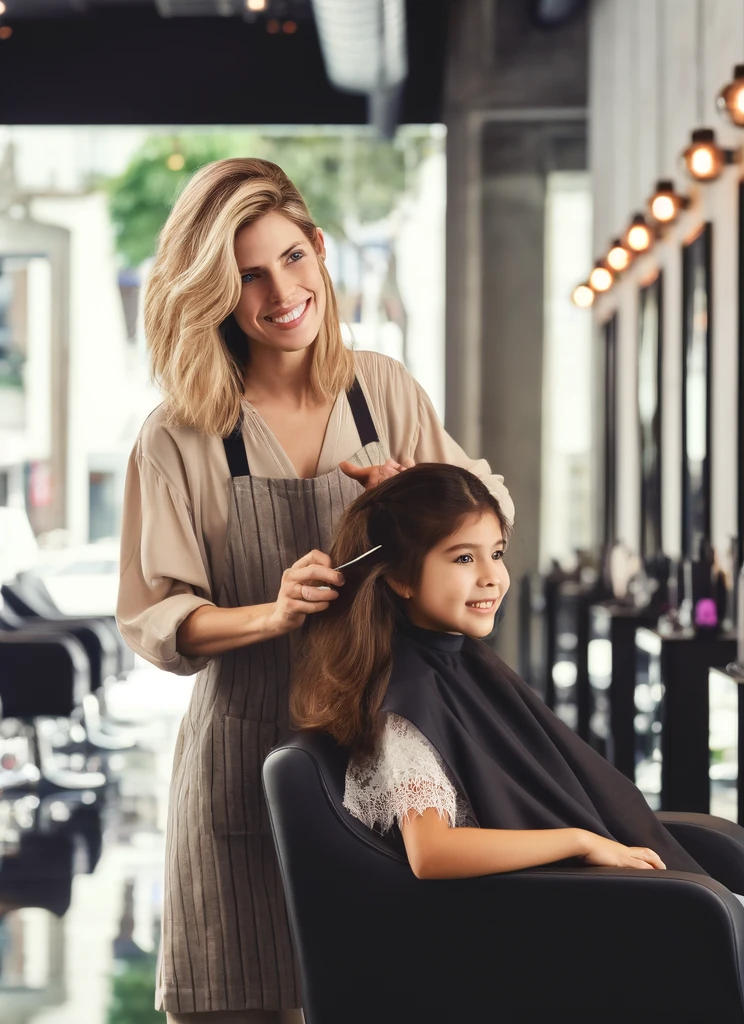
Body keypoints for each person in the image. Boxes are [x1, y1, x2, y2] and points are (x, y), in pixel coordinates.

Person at [115, 158, 513, 1023]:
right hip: (242, 761)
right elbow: (155, 619)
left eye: (293, 258)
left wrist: (419, 496)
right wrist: (275, 609)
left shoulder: (384, 392)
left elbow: (488, 517)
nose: (281, 291)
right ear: (216, 290)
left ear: (322, 250)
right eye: (248, 275)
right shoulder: (180, 434)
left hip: (384, 755)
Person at [290, 464, 744, 1024]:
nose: (491, 577)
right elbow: (432, 852)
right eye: (463, 558)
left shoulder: (458, 663)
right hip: (544, 915)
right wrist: (579, 842)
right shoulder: (404, 700)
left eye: (497, 553)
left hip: (577, 891)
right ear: (402, 577)